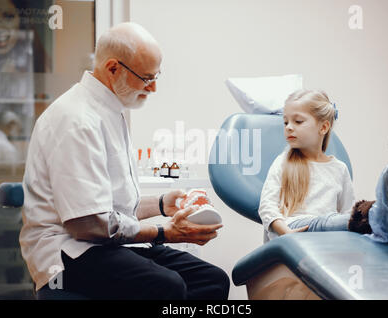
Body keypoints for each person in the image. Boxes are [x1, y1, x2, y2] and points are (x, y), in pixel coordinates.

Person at [19, 22, 230, 300]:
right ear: (113, 68)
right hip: (68, 252)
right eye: (146, 78)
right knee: (167, 286)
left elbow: (109, 205)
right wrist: (165, 233)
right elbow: (89, 223)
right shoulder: (77, 120)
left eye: (156, 76)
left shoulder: (110, 110)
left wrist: (161, 204)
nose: (153, 88)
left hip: (101, 244)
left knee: (211, 280)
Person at [259, 89, 388, 243]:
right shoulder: (283, 163)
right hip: (295, 228)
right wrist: (285, 232)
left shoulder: (338, 168)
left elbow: (348, 213)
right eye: (285, 122)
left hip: (331, 229)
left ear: (324, 127)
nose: (289, 127)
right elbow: (267, 206)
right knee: (329, 221)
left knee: (347, 219)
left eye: (297, 121)